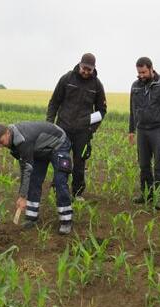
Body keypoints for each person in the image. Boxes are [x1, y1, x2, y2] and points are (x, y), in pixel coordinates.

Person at [0, 122, 74, 234]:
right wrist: (22, 194)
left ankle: (66, 221)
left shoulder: (23, 140)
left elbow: (26, 169)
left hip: (58, 144)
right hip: (40, 148)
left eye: (0, 142)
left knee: (59, 182)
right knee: (34, 180)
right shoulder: (13, 142)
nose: (0, 146)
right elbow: (25, 168)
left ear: (7, 133)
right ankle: (32, 218)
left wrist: (23, 197)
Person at [47, 53, 107, 201]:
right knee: (62, 159)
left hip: (83, 132)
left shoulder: (97, 85)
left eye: (89, 70)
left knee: (80, 162)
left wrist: (91, 129)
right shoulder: (67, 79)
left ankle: (77, 192)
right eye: (84, 68)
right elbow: (54, 102)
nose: (86, 72)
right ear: (79, 65)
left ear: (94, 69)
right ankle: (58, 187)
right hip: (63, 128)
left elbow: (101, 111)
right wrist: (50, 124)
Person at [128, 57, 160, 208]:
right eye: (139, 72)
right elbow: (132, 109)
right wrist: (131, 130)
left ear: (151, 68)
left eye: (143, 72)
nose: (141, 75)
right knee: (143, 165)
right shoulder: (135, 86)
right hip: (142, 130)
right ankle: (146, 195)